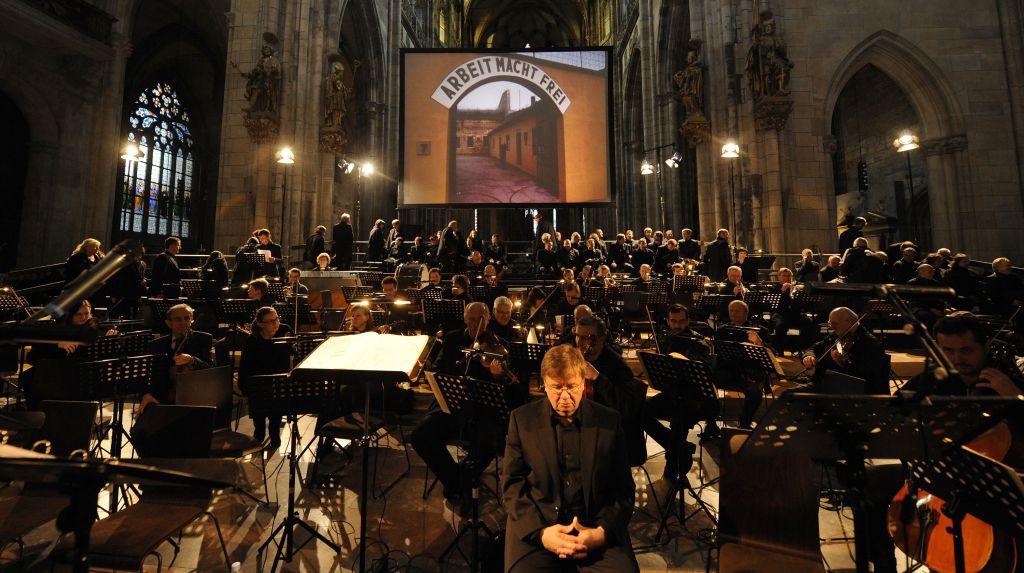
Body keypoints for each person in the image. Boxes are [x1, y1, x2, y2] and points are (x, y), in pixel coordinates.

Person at [862, 314, 1023, 573]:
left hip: (988, 489)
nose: (957, 359)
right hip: (938, 477)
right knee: (869, 485)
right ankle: (884, 567)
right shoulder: (933, 378)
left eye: (966, 350)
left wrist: (1016, 397)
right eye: (947, 351)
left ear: (985, 347)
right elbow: (893, 414)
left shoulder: (1006, 380)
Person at [502, 344, 639, 573]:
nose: (565, 397)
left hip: (596, 525)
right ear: (543, 384)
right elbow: (512, 485)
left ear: (583, 383)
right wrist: (543, 534)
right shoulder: (521, 420)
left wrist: (600, 534)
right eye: (556, 387)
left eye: (572, 387)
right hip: (541, 528)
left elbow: (623, 489)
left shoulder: (609, 421)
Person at [411, 302, 523, 509]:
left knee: (488, 444)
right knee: (419, 436)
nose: (474, 324)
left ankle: (458, 483)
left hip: (483, 411)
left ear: (488, 320)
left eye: (480, 319)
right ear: (464, 318)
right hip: (451, 406)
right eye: (471, 319)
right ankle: (459, 481)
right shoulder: (453, 339)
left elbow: (512, 390)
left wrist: (497, 377)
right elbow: (437, 368)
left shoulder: (499, 344)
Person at [643, 305, 715, 483]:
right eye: (673, 321)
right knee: (640, 411)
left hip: (697, 399)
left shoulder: (699, 343)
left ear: (688, 321)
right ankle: (680, 448)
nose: (677, 325)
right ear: (668, 321)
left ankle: (672, 467)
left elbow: (705, 373)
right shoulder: (666, 339)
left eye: (681, 321)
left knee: (678, 422)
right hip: (672, 394)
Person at [572, 316, 646, 465]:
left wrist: (597, 378)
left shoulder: (617, 365)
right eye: (578, 336)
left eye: (587, 337)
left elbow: (625, 408)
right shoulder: (577, 358)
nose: (580, 342)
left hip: (611, 434)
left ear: (601, 338)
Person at [137, 303, 215, 413]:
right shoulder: (156, 345)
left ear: (191, 320)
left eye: (187, 318)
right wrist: (145, 394)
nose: (183, 322)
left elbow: (211, 370)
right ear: (168, 323)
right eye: (178, 319)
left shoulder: (203, 339)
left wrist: (193, 360)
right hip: (161, 399)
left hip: (194, 399)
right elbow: (145, 376)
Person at [800, 307, 889, 395]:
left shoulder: (869, 343)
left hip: (847, 391)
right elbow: (815, 347)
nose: (832, 327)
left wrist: (843, 364)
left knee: (791, 396)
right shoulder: (837, 335)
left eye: (835, 324)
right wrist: (808, 355)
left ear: (848, 322)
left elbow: (867, 376)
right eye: (830, 324)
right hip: (827, 383)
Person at [238, 306, 293, 447]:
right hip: (259, 383)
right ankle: (259, 438)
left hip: (279, 382)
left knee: (275, 422)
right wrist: (245, 389)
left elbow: (293, 352)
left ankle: (275, 436)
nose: (276, 323)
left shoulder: (284, 330)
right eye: (270, 321)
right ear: (261, 324)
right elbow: (245, 366)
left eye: (277, 319)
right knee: (259, 426)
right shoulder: (253, 340)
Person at [714, 300, 772, 428]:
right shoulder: (722, 330)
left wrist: (760, 342)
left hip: (751, 374)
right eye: (731, 311)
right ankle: (711, 424)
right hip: (728, 371)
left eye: (737, 311)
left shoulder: (759, 331)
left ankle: (744, 424)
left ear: (746, 313)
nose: (733, 314)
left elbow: (772, 353)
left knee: (755, 394)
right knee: (706, 384)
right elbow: (718, 356)